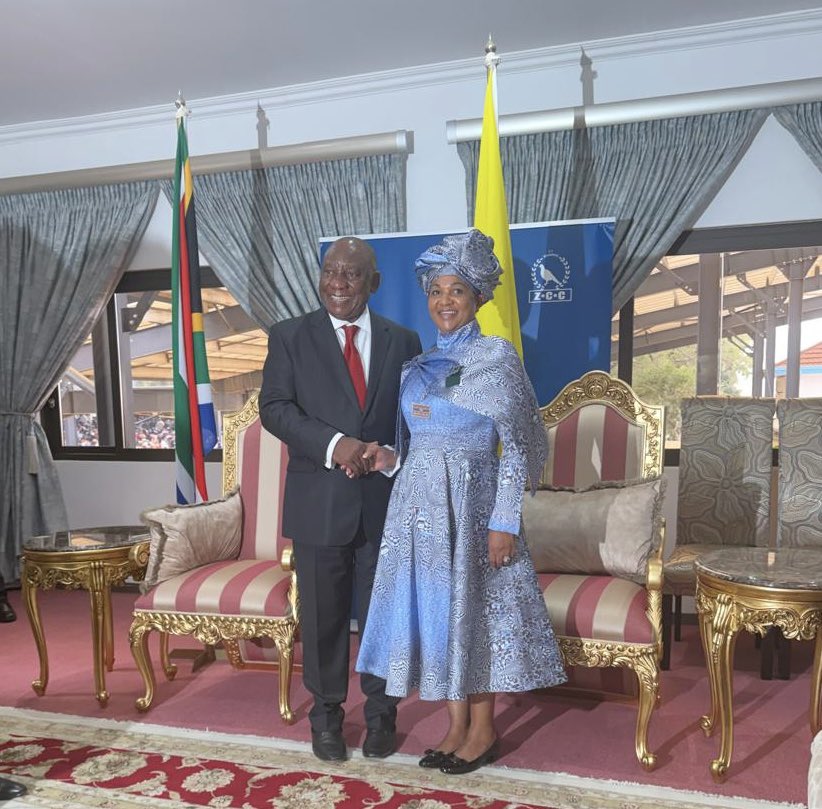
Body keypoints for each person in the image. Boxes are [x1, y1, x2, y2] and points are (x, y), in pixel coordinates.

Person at [356, 229, 567, 775]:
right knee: (441, 616)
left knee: (475, 616)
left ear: (477, 297)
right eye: (435, 291)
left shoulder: (495, 357)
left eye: (456, 291)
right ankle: (454, 726)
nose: (444, 301)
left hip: (474, 507)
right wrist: (388, 460)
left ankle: (484, 730)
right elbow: (419, 445)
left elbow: (518, 447)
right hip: (418, 513)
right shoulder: (417, 365)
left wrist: (504, 523)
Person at [259, 236, 421, 762]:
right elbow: (276, 409)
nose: (338, 283)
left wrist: (391, 457)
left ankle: (381, 716)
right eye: (330, 271)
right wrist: (337, 446)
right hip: (319, 504)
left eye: (351, 274)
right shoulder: (289, 337)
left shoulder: (405, 341)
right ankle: (326, 717)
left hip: (383, 506)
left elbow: (417, 419)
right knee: (324, 620)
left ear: (373, 282)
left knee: (381, 620)